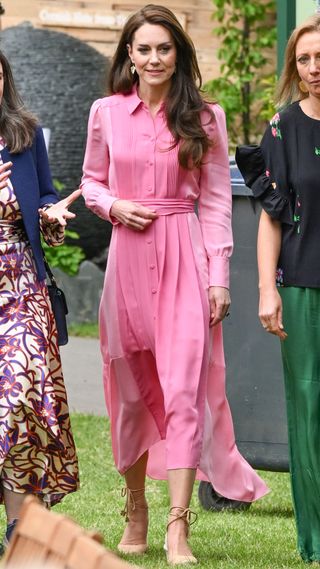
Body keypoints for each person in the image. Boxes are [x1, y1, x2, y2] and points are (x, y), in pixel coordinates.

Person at [81, 4, 268, 565]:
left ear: (178, 55)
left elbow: (214, 201)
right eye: (144, 49)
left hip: (185, 253)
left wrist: (219, 279)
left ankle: (177, 527)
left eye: (165, 48)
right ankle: (135, 510)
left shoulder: (204, 117)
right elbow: (91, 182)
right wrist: (114, 205)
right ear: (130, 57)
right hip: (128, 263)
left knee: (185, 390)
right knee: (132, 394)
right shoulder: (106, 112)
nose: (154, 58)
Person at [236, 13, 320, 564]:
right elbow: (272, 216)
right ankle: (317, 539)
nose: (315, 69)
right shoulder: (282, 128)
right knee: (308, 407)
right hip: (303, 287)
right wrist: (267, 289)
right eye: (305, 59)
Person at [0, 50, 80, 549]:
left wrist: (51, 217)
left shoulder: (25, 135)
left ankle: (21, 524)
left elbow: (46, 197)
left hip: (22, 285)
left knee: (22, 396)